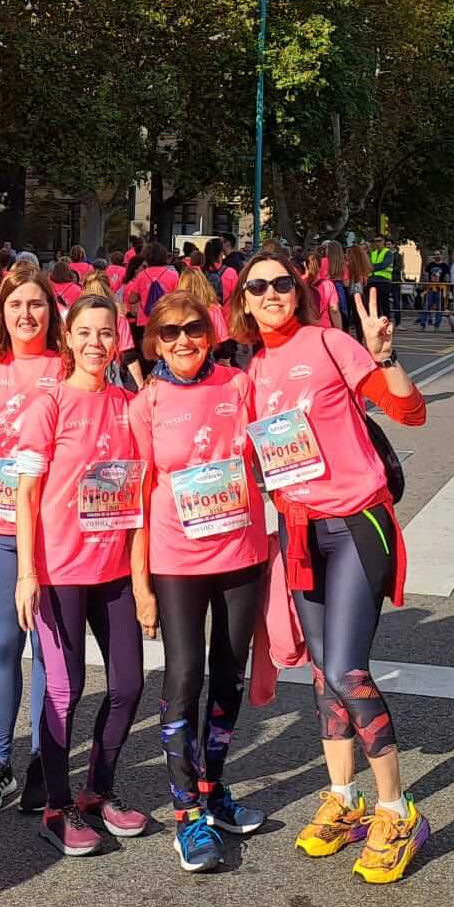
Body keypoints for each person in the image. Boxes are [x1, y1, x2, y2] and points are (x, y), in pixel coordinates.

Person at [237, 251, 429, 883]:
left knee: (348, 667)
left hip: (355, 522)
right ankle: (344, 800)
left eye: (281, 283)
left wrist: (382, 355)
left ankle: (397, 810)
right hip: (300, 529)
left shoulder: (330, 343)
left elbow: (409, 413)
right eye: (257, 286)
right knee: (323, 673)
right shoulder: (254, 368)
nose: (271, 293)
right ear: (243, 301)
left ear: (299, 291)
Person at [131, 291, 270, 871]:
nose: (184, 341)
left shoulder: (239, 386)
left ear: (210, 333)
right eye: (170, 333)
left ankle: (214, 790)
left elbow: (271, 456)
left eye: (193, 329)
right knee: (185, 678)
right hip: (176, 558)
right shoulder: (147, 402)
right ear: (154, 342)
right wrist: (141, 586)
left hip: (241, 550)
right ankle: (186, 813)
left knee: (230, 678)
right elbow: (136, 499)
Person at [10, 292, 147, 856]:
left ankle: (98, 791)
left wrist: (142, 581)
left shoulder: (129, 404)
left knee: (129, 685)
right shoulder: (48, 406)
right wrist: (26, 573)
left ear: (119, 340)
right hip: (60, 569)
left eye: (106, 333)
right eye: (85, 332)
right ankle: (56, 806)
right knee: (65, 691)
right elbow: (25, 493)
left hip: (113, 569)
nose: (96, 343)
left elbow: (144, 487)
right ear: (67, 338)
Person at [0, 261, 63, 814]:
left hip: (53, 532)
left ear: (52, 311)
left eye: (36, 304)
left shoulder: (68, 364)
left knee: (48, 650)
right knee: (1, 645)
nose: (26, 314)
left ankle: (41, 760)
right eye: (15, 304)